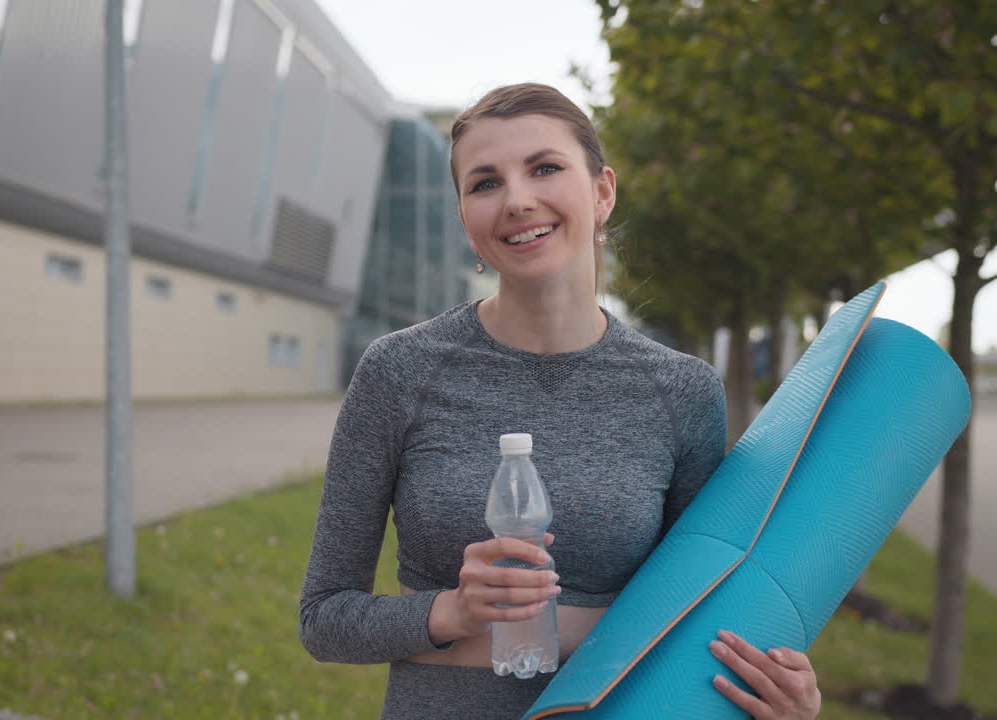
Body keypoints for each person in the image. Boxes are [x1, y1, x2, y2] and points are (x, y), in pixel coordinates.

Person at [299, 83, 821, 720]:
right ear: (465, 219)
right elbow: (325, 617)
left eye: (545, 168)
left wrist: (775, 692)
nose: (518, 200)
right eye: (485, 183)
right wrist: (453, 611)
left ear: (602, 192)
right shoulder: (400, 370)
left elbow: (699, 614)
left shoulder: (681, 391)